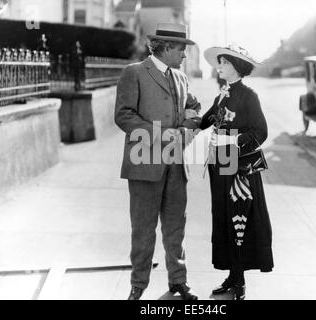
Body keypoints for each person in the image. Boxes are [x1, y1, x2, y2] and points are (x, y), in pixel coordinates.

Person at [114, 23, 201, 301]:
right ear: (165, 48)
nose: (184, 55)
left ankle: (179, 282)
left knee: (176, 227)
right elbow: (124, 115)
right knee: (143, 228)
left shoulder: (181, 78)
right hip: (144, 163)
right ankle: (138, 285)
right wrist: (164, 135)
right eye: (181, 49)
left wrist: (186, 129)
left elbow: (195, 109)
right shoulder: (134, 73)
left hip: (176, 166)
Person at [200, 45, 274, 300]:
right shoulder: (223, 94)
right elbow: (206, 121)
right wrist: (194, 116)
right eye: (219, 63)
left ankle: (239, 282)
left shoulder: (249, 96)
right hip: (219, 164)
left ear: (235, 66)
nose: (218, 67)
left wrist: (233, 142)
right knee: (222, 216)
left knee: (238, 218)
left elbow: (260, 132)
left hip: (239, 167)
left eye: (222, 63)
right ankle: (232, 277)